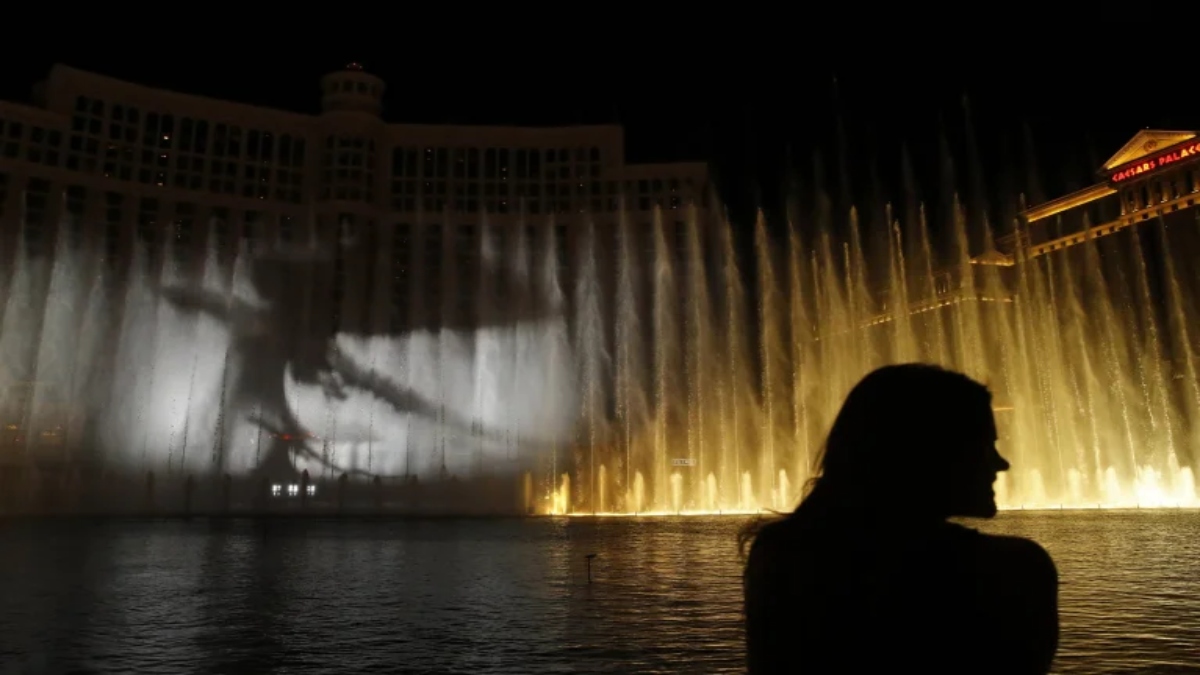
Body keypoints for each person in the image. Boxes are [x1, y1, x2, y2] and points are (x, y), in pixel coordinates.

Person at [742, 364, 1058, 674]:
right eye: (984, 446)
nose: (1002, 464)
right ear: (932, 452)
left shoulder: (781, 554)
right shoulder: (1015, 568)